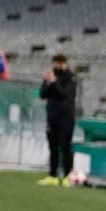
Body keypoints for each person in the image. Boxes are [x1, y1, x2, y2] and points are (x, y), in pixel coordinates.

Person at [38, 54, 78, 187]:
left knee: (65, 146)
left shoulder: (71, 77)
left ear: (65, 63)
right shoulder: (50, 76)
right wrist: (49, 82)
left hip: (66, 117)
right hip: (52, 116)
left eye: (61, 63)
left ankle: (67, 175)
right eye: (56, 63)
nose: (58, 65)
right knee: (53, 146)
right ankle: (52, 176)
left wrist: (53, 81)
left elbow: (63, 95)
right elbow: (43, 94)